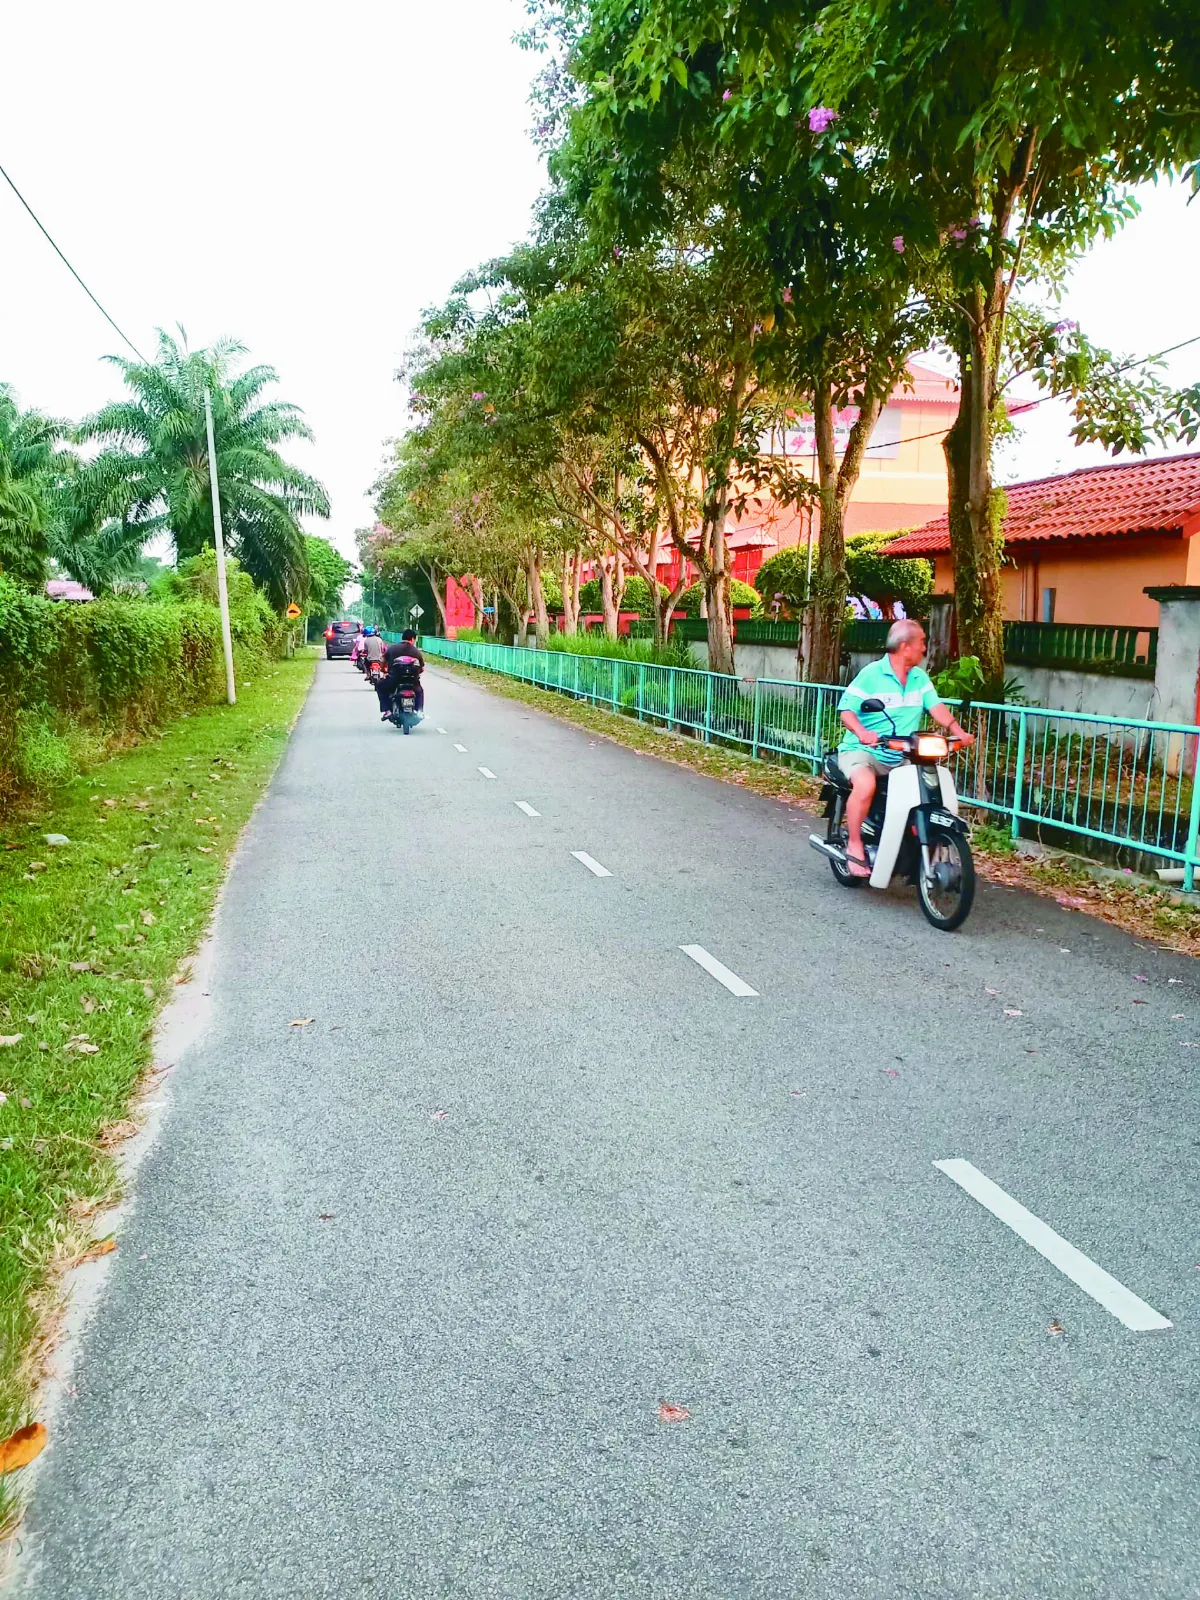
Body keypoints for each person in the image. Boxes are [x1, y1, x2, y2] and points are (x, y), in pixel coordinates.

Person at [836, 619, 974, 877]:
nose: (925, 648)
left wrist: (959, 733)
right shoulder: (871, 674)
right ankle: (855, 844)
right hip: (865, 751)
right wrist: (863, 732)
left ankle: (916, 846)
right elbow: (846, 712)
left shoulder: (919, 677)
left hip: (904, 752)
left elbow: (936, 708)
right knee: (865, 785)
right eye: (921, 643)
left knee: (933, 791)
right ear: (905, 647)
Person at [376, 629, 425, 718]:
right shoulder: (416, 652)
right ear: (412, 639)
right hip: (412, 681)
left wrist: (384, 671)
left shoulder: (392, 648)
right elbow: (422, 668)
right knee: (420, 691)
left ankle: (387, 710)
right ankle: (419, 711)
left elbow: (382, 661)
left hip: (394, 679)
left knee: (379, 685)